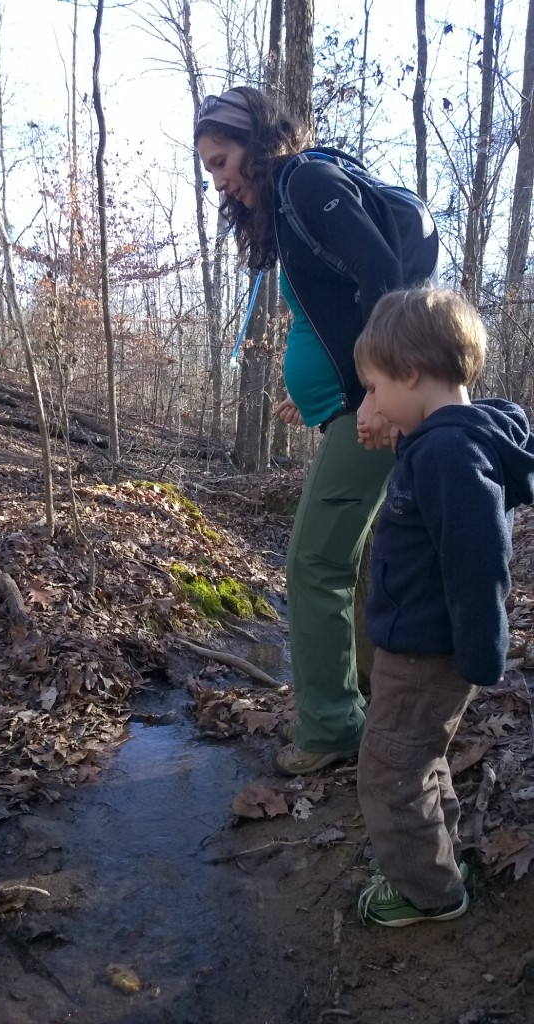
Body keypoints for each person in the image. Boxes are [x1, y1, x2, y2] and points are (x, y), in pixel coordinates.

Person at [194, 86, 399, 776]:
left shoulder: (307, 179)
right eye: (210, 169)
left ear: (255, 144)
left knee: (312, 562)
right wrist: (311, 393)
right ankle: (367, 700)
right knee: (354, 558)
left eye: (222, 161)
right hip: (351, 405)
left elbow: (384, 275)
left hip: (376, 404)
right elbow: (333, 312)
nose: (219, 179)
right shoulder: (289, 202)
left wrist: (376, 388)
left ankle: (330, 727)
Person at [352, 287, 534, 926]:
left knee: (388, 770)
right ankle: (430, 854)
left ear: (410, 372)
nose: (368, 404)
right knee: (417, 757)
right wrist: (394, 428)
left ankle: (427, 891)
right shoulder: (443, 442)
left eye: (373, 388)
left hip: (428, 653)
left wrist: (485, 650)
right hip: (422, 645)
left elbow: (477, 560)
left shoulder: (452, 455)